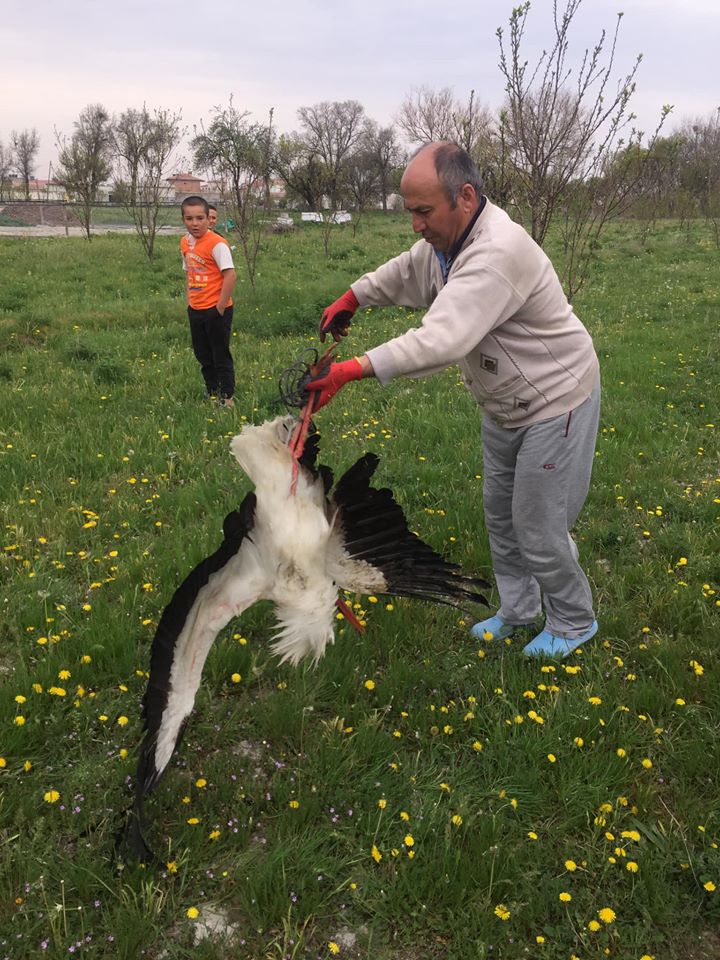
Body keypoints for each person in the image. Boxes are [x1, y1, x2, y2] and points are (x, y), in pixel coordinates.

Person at [305, 141, 601, 658]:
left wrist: (352, 370)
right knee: (501, 516)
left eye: (424, 211)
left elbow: (444, 338)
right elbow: (407, 270)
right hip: (505, 403)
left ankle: (574, 621)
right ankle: (519, 610)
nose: (416, 224)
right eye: (410, 212)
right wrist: (355, 295)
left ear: (465, 197)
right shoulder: (448, 244)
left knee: (538, 522)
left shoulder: (496, 252)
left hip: (556, 401)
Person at [180, 196, 236, 407]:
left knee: (220, 353)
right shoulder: (185, 242)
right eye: (189, 218)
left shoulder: (217, 244)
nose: (195, 223)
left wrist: (220, 306)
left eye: (200, 218)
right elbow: (189, 272)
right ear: (183, 219)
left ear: (208, 219)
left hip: (216, 309)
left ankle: (227, 397)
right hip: (195, 308)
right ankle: (212, 390)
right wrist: (190, 300)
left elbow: (230, 275)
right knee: (202, 353)